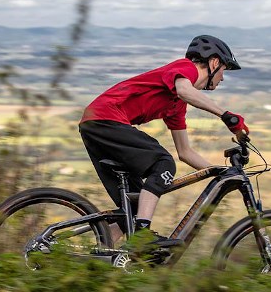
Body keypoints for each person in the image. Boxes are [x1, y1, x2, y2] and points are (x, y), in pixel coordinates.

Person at [78, 35, 249, 248]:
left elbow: (185, 152)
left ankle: (98, 258)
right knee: (163, 162)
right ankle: (142, 236)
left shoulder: (177, 105)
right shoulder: (186, 68)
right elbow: (185, 90)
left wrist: (222, 173)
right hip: (105, 118)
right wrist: (227, 116)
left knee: (135, 207)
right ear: (214, 62)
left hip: (96, 124)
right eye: (224, 70)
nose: (222, 78)